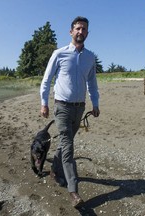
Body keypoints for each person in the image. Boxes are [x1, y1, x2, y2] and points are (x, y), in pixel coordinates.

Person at [40, 16, 100, 208]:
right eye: (77, 28)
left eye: (84, 29)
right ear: (71, 31)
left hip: (79, 108)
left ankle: (54, 171)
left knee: (66, 143)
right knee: (68, 145)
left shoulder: (90, 57)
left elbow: (92, 82)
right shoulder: (59, 54)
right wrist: (44, 102)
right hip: (62, 106)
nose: (80, 32)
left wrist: (95, 103)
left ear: (87, 33)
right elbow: (47, 78)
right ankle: (73, 190)